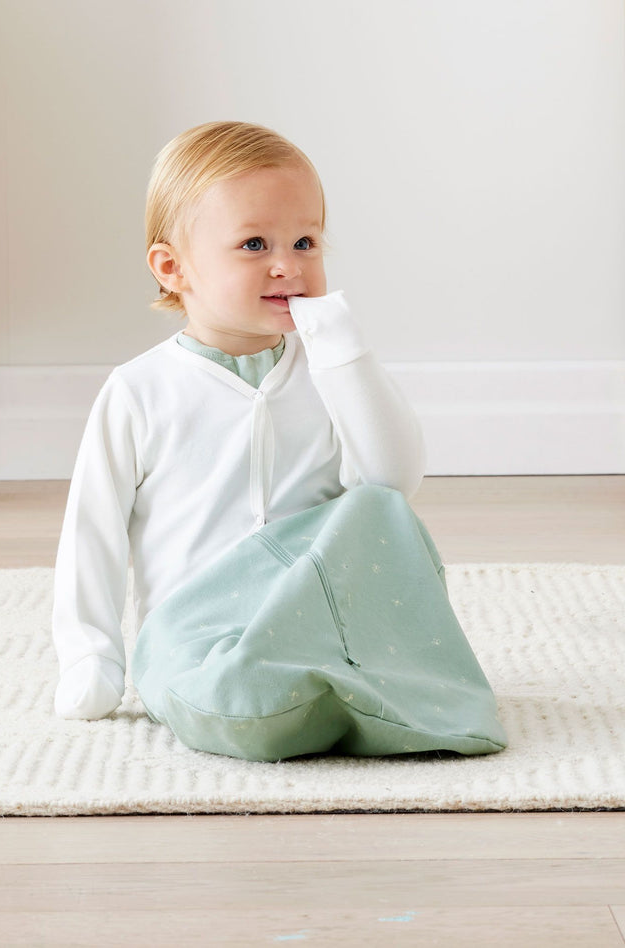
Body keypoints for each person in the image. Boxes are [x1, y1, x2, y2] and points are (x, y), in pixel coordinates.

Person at [51, 120, 507, 761]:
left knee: (376, 513)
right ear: (172, 267)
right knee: (234, 694)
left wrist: (343, 350)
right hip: (194, 631)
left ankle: (332, 696)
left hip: (312, 619)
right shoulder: (139, 391)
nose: (288, 265)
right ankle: (282, 704)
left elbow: (392, 484)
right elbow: (90, 538)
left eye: (305, 241)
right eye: (254, 243)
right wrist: (91, 659)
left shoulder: (330, 373)